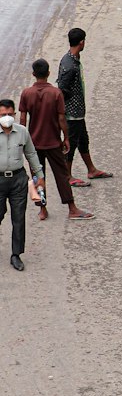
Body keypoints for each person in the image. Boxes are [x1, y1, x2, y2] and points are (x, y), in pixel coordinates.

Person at [18, 60, 92, 226]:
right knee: (62, 175)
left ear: (33, 74)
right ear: (49, 73)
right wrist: (65, 137)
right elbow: (61, 119)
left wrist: (22, 139)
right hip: (52, 142)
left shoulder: (26, 93)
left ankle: (42, 209)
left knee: (38, 176)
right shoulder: (56, 93)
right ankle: (72, 208)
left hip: (33, 144)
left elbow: (23, 118)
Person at [58, 29, 111, 184]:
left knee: (83, 141)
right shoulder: (70, 65)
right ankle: (67, 176)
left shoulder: (71, 59)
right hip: (72, 113)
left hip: (78, 112)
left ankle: (91, 169)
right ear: (81, 42)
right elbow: (62, 89)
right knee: (71, 144)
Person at [0, 98, 43, 271]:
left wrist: (40, 176)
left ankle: (16, 254)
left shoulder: (22, 132)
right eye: (3, 114)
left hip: (18, 180)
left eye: (10, 114)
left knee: (19, 218)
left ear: (15, 114)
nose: (7, 117)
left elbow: (31, 154)